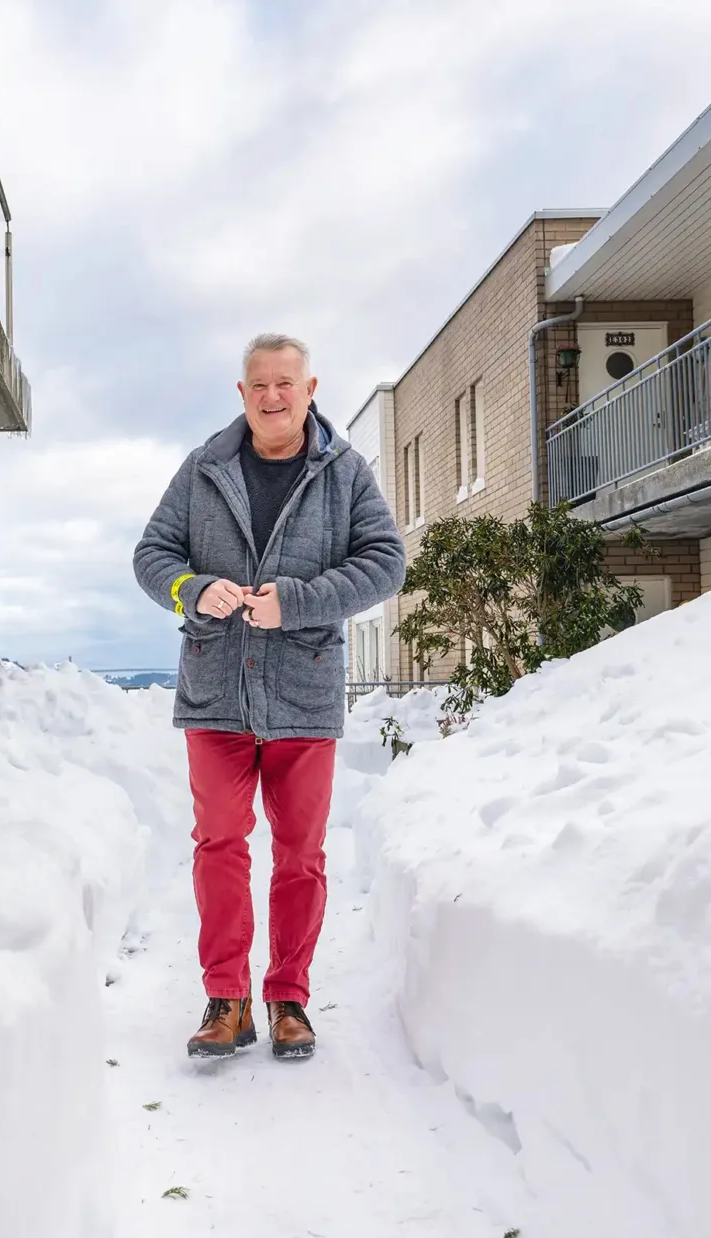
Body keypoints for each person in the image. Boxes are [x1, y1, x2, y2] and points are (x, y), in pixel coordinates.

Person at [133, 334, 406, 1061]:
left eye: (287, 383)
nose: (273, 396)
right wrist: (191, 589)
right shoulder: (203, 470)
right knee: (219, 845)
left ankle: (289, 1000)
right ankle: (227, 1000)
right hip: (216, 691)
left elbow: (386, 563)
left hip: (302, 691)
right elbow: (151, 556)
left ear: (310, 388)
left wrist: (301, 602)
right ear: (242, 392)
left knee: (300, 855)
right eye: (260, 384)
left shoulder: (344, 472)